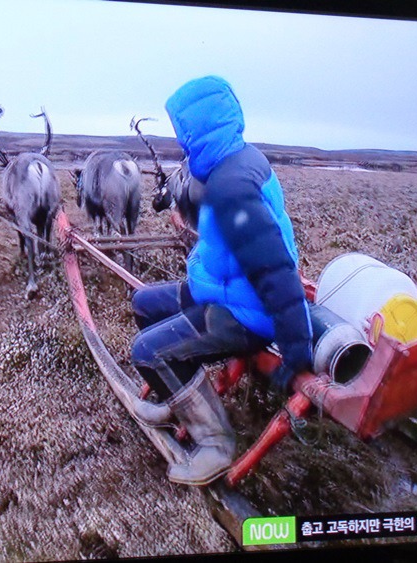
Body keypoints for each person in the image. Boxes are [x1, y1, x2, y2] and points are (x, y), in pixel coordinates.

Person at [129, 76, 313, 486]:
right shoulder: (233, 161)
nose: (180, 142)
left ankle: (215, 442)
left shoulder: (232, 190)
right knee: (144, 304)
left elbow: (276, 272)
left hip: (246, 313)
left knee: (146, 351)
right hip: (221, 289)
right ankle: (178, 398)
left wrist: (297, 347)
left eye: (183, 132)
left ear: (198, 130)